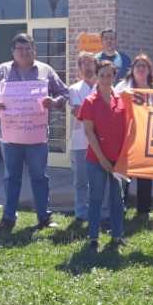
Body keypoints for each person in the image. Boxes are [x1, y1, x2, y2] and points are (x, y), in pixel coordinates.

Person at [0, 33, 68, 231]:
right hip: (10, 136)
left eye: (28, 48)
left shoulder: (46, 70)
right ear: (13, 52)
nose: (24, 52)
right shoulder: (2, 71)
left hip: (36, 136)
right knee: (11, 178)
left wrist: (54, 102)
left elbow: (63, 92)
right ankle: (8, 218)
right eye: (19, 49)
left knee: (39, 177)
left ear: (34, 50)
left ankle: (44, 217)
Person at [79, 60, 128, 249]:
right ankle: (93, 237)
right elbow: (89, 132)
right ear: (96, 77)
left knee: (117, 199)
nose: (106, 79)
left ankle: (117, 235)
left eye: (109, 75)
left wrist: (122, 158)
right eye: (102, 75)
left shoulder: (122, 99)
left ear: (115, 76)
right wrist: (102, 159)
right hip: (96, 160)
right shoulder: (90, 101)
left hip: (119, 160)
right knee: (96, 198)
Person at [115, 53, 153, 222]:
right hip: (126, 138)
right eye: (138, 66)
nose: (141, 69)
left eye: (144, 66)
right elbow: (114, 107)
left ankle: (144, 210)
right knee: (123, 175)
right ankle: (120, 206)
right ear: (132, 69)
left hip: (146, 139)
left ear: (149, 70)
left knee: (145, 175)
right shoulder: (122, 87)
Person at [68, 51, 99, 222]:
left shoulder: (103, 87)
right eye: (84, 63)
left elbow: (83, 112)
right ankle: (81, 211)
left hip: (101, 141)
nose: (88, 67)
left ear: (95, 65)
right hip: (80, 141)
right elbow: (78, 112)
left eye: (90, 63)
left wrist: (86, 112)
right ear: (79, 68)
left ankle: (98, 210)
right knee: (81, 180)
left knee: (99, 180)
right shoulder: (74, 89)